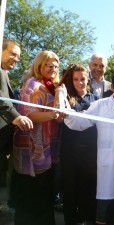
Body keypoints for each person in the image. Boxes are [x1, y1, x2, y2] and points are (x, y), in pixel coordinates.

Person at [64, 71, 114, 225]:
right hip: (107, 162)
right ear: (112, 87)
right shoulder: (100, 105)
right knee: (105, 204)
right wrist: (67, 113)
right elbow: (82, 122)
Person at [12, 50, 65, 225]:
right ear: (39, 65)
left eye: (56, 66)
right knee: (30, 199)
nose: (53, 68)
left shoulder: (53, 86)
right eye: (49, 65)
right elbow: (30, 115)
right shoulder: (32, 84)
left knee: (45, 197)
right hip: (31, 151)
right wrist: (53, 114)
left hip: (48, 151)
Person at [57, 64, 98, 225]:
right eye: (76, 79)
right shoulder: (66, 98)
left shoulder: (95, 99)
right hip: (70, 151)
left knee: (88, 189)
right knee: (69, 189)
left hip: (90, 152)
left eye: (83, 79)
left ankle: (87, 218)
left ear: (88, 79)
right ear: (71, 80)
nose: (79, 82)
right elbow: (59, 118)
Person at [0, 38, 33, 187]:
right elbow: (2, 101)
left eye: (18, 57)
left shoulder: (4, 72)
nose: (16, 60)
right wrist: (17, 118)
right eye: (13, 54)